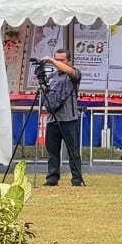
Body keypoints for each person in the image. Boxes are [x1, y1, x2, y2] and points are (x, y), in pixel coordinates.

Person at [40, 47, 84, 187]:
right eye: (56, 59)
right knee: (52, 151)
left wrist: (51, 60)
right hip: (53, 119)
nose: (58, 63)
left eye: (61, 60)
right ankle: (52, 177)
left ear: (69, 61)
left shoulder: (74, 74)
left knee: (73, 151)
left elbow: (70, 71)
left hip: (69, 118)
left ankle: (76, 178)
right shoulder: (52, 77)